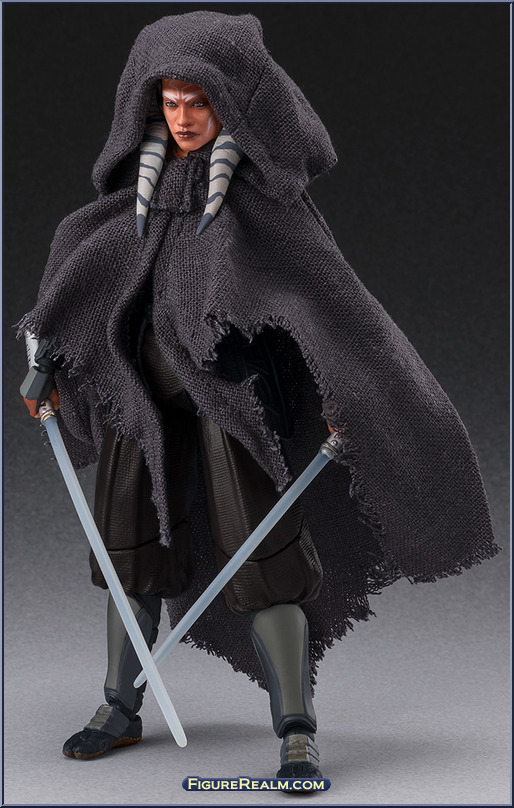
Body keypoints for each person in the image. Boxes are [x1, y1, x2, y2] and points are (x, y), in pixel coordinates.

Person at [19, 11, 500, 780]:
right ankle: (119, 705)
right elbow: (85, 292)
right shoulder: (133, 203)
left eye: (199, 102)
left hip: (231, 413)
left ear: (232, 104)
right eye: (170, 102)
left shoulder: (264, 212)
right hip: (138, 410)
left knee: (266, 560)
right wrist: (47, 368)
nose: (183, 118)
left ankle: (296, 724)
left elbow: (336, 315)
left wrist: (347, 396)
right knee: (127, 558)